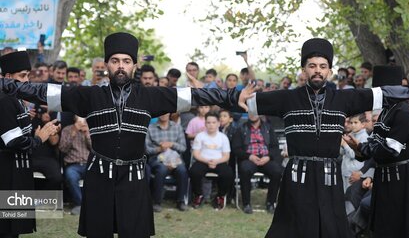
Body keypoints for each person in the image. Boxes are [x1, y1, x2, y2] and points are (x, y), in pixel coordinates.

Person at [0, 32, 249, 238]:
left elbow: (195, 96)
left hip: (134, 178)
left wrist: (231, 97)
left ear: (134, 65)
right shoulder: (87, 96)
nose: (121, 66)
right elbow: (38, 91)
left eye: (127, 61)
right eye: (115, 60)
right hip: (99, 178)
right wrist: (4, 84)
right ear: (107, 64)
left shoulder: (152, 96)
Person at [242, 38, 409, 238]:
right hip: (298, 176)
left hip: (328, 178)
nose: (318, 70)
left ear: (329, 71)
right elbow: (242, 102)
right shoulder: (286, 98)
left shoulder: (344, 98)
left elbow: (383, 93)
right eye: (312, 66)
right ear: (303, 69)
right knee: (291, 226)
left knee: (331, 227)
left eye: (323, 66)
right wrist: (215, 97)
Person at [344, 66, 409, 238]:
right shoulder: (385, 111)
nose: (379, 94)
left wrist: (364, 148)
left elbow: (390, 150)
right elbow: (375, 142)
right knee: (383, 227)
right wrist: (359, 147)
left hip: (399, 178)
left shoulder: (404, 113)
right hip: (384, 175)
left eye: (382, 90)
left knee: (397, 227)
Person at [0, 51, 59, 238]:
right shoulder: (5, 100)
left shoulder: (16, 99)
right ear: (8, 77)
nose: (26, 81)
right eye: (22, 76)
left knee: (14, 227)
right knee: (7, 228)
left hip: (18, 170)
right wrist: (40, 138)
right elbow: (13, 141)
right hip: (7, 174)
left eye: (28, 75)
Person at [232, 113, 283, 214]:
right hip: (249, 158)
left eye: (255, 113)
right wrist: (249, 156)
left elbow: (275, 147)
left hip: (265, 158)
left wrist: (268, 157)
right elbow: (236, 149)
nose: (253, 115)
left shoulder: (268, 128)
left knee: (277, 171)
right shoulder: (241, 129)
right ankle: (246, 203)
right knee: (245, 169)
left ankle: (270, 203)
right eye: (250, 113)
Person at [189, 111, 234, 210]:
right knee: (194, 171)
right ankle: (198, 195)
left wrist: (217, 162)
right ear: (205, 123)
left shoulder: (223, 137)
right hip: (203, 160)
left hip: (219, 161)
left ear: (218, 123)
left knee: (228, 173)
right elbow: (196, 154)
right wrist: (207, 161)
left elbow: (226, 156)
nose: (211, 125)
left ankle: (220, 196)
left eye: (213, 122)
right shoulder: (200, 136)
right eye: (208, 122)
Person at [145, 113, 188, 212]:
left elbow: (183, 148)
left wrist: (171, 144)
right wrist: (159, 149)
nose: (164, 115)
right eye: (161, 113)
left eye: (166, 113)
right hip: (157, 159)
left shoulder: (177, 127)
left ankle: (181, 201)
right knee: (161, 169)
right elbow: (147, 150)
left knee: (182, 170)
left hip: (175, 158)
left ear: (170, 114)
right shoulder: (150, 128)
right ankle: (157, 202)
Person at [58, 116, 91, 216]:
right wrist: (73, 132)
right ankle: (80, 205)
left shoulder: (90, 129)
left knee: (99, 176)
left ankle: (94, 204)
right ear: (74, 118)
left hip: (88, 164)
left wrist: (87, 134)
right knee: (71, 176)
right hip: (73, 165)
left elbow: (95, 149)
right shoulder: (67, 129)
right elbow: (62, 149)